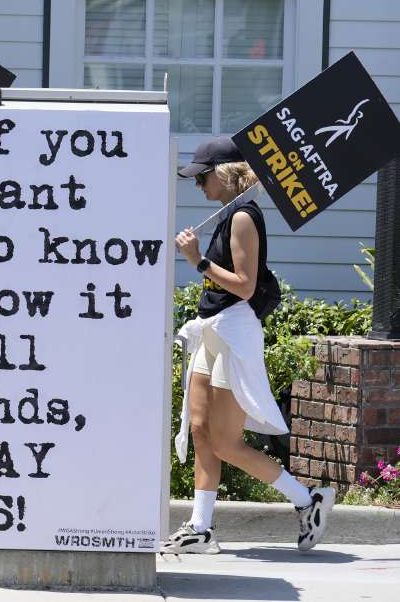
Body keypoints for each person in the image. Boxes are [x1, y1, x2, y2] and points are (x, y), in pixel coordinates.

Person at [168, 137, 334, 554]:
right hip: (213, 326)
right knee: (202, 432)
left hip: (233, 329)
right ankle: (200, 529)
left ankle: (306, 499)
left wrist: (198, 261)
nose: (199, 186)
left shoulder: (243, 217)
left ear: (224, 175)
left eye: (203, 177)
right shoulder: (226, 215)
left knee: (225, 441)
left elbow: (244, 286)